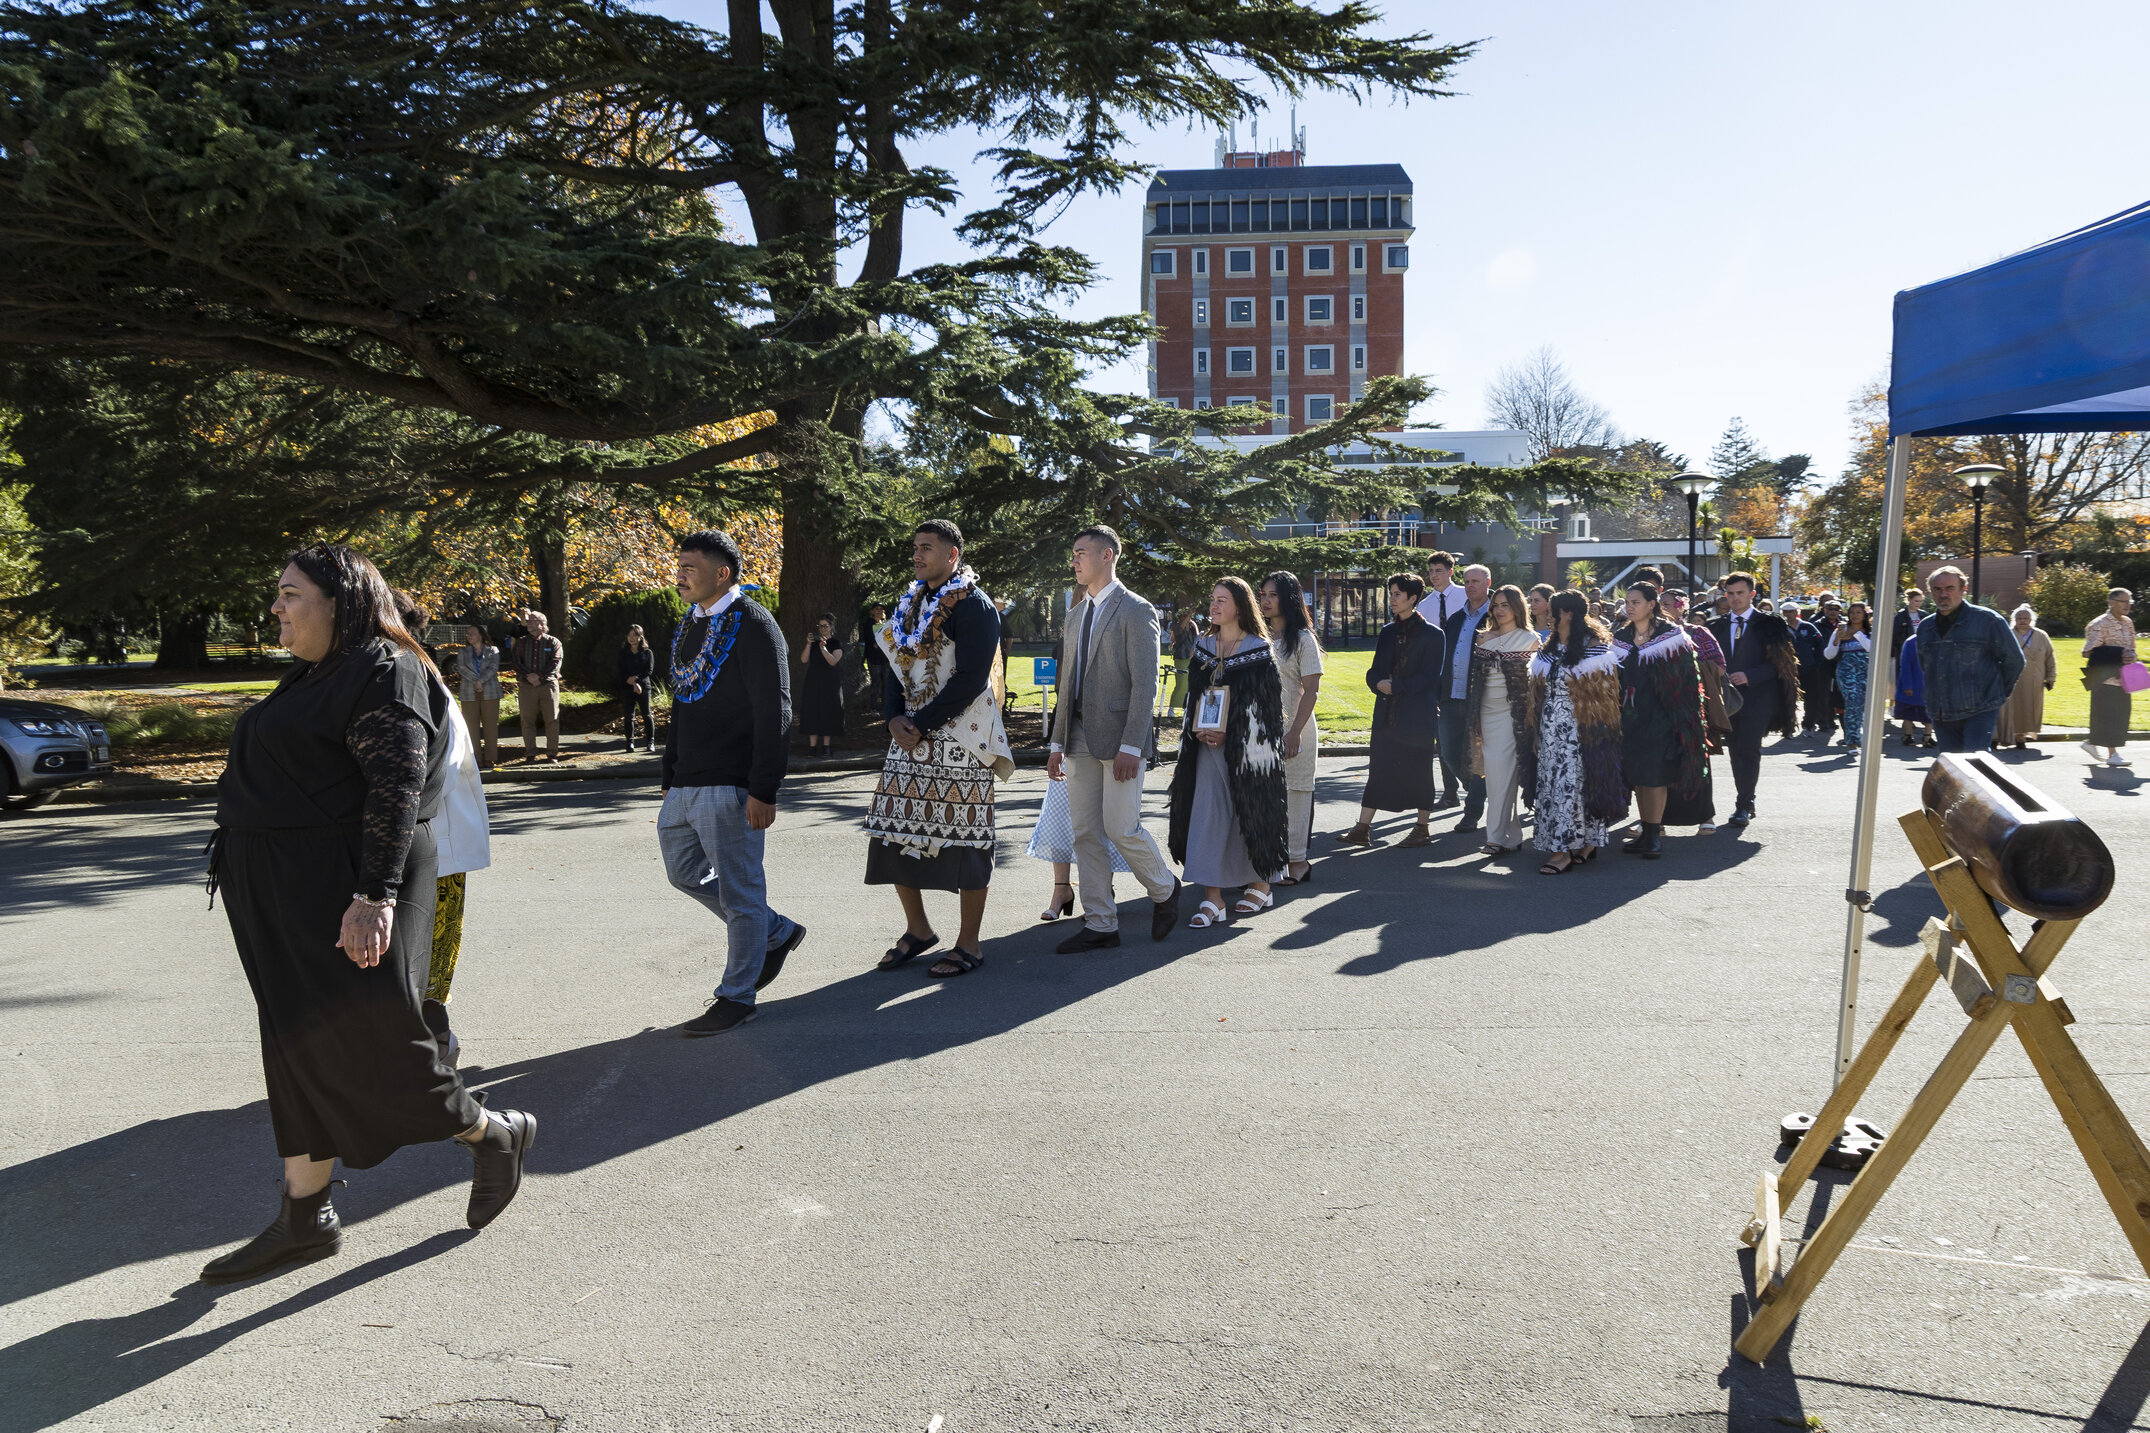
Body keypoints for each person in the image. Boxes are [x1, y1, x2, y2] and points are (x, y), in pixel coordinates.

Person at [201, 545, 534, 1284]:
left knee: (381, 1042)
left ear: (340, 599)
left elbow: (395, 785)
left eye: (290, 594)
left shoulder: (384, 668)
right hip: (286, 894)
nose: (277, 608)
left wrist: (374, 895)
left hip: (345, 888)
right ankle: (305, 1214)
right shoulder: (314, 675)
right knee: (295, 1045)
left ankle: (492, 1133)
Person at [660, 531, 808, 1035]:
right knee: (682, 873)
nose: (680, 574)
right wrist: (669, 773)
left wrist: (764, 788)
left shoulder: (755, 625)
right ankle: (774, 930)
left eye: (690, 567)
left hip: (733, 785)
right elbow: (682, 701)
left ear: (722, 573)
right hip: (685, 783)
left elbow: (776, 710)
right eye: (679, 565)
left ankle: (736, 996)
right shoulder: (690, 625)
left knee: (741, 893)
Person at [867, 520, 1016, 977]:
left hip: (962, 740)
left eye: (927, 548)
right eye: (915, 547)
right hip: (909, 736)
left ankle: (969, 943)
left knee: (968, 839)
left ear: (952, 555)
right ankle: (919, 930)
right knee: (892, 830)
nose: (917, 555)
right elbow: (896, 664)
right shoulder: (910, 603)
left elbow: (970, 679)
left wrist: (919, 723)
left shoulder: (976, 606)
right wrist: (894, 718)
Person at [1045, 525, 1181, 951]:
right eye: (1073, 552)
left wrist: (1130, 745)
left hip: (1122, 741)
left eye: (1081, 551)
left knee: (1121, 827)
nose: (1075, 560)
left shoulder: (1137, 610)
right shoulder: (1075, 613)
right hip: (1079, 738)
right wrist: (1056, 742)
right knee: (1085, 831)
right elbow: (1067, 684)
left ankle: (1165, 890)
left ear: (1107, 556)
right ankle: (1101, 923)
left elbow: (1145, 685)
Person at [391, 590, 491, 1070]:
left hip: (433, 847)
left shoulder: (417, 677)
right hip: (423, 843)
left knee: (424, 966)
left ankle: (436, 1059)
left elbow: (438, 768)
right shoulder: (400, 671)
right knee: (413, 964)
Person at [1168, 577, 1288, 927]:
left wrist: (1230, 733)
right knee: (1208, 816)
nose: (1214, 605)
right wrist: (1202, 728)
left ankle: (1262, 883)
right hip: (1206, 749)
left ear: (1240, 605)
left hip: (1251, 752)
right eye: (1213, 599)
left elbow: (1265, 707)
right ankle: (1213, 898)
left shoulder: (1258, 649)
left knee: (1251, 813)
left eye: (1223, 600)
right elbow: (1196, 696)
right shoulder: (1204, 645)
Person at [1523, 590, 1622, 875]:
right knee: (1553, 786)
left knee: (1574, 785)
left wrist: (1598, 737)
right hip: (1550, 728)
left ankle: (1564, 849)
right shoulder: (1547, 648)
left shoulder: (1594, 649)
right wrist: (1536, 734)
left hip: (1581, 730)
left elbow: (1605, 698)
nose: (1547, 616)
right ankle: (1576, 843)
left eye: (1553, 611)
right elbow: (1537, 695)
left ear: (1568, 614)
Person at [1338, 574, 1441, 847]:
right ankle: (1362, 829)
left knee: (1419, 770)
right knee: (1379, 769)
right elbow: (1373, 672)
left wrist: (1396, 686)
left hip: (1417, 716)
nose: (1392, 599)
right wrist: (1377, 684)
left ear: (1413, 598)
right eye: (1391, 593)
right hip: (1386, 714)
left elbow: (1430, 678)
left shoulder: (1433, 635)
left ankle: (1422, 828)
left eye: (1397, 594)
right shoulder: (1387, 632)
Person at [1614, 582, 1706, 859]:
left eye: (1635, 602)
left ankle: (1654, 835)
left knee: (1655, 777)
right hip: (1630, 718)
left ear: (1651, 605)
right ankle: (1646, 831)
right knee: (1639, 777)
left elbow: (1687, 682)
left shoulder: (1672, 637)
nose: (1629, 607)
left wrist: (1682, 720)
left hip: (1662, 718)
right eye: (1627, 602)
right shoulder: (1621, 636)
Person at [1708, 572, 1801, 827]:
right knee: (1735, 750)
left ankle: (1744, 804)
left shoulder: (1771, 623)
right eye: (1730, 593)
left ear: (1752, 595)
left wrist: (1749, 675)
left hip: (1758, 698)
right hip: (1726, 700)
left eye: (1740, 593)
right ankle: (1744, 799)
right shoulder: (1715, 625)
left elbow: (1783, 665)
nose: (1735, 598)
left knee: (1748, 750)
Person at [1915, 566, 2024, 754]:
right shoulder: (1926, 627)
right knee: (1952, 769)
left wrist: (1996, 694)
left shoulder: (1988, 620)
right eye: (1937, 589)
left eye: (1950, 588)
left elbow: (2014, 660)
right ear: (1931, 592)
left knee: (1975, 764)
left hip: (1979, 709)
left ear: (1963, 589)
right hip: (1941, 711)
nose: (1943, 594)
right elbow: (1926, 665)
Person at [1465, 584, 1541, 854]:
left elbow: (1535, 686)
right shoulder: (1483, 638)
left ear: (1517, 608)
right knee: (1500, 777)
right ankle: (1511, 836)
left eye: (1505, 605)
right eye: (1495, 605)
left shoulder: (1530, 640)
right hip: (1484, 714)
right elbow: (1474, 682)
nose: (1499, 610)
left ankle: (1494, 838)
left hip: (1512, 717)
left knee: (1499, 775)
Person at [1261, 570, 1325, 883]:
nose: (1266, 600)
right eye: (1263, 595)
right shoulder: (1258, 637)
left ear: (1288, 599)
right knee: (1266, 795)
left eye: (1272, 595)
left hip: (1295, 727)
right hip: (1260, 729)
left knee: (1295, 792)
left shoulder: (1301, 639)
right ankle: (1268, 860)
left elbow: (1311, 690)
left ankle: (1297, 860)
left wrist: (1294, 732)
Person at [1659, 589, 1723, 834]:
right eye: (1659, 603)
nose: (1662, 607)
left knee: (1696, 761)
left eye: (1667, 603)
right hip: (1660, 708)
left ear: (1681, 606)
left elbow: (1719, 665)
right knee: (1661, 764)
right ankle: (1658, 820)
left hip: (1693, 707)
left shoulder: (1698, 632)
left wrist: (1687, 668)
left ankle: (1706, 817)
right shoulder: (1651, 634)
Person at [1437, 564, 1495, 832]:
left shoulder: (1497, 616)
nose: (1470, 585)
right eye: (1467, 581)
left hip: (1481, 699)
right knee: (1449, 752)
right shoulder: (1457, 618)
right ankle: (1477, 789)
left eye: (1475, 581)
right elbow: (1446, 657)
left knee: (1478, 757)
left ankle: (1472, 811)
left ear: (1487, 582)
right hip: (1450, 697)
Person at [1414, 552, 1465, 810]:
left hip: (1464, 674)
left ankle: (1473, 784)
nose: (1434, 576)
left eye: (1439, 570)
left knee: (1465, 733)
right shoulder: (1424, 606)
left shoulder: (1467, 598)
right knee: (1441, 735)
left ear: (1450, 571)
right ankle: (1450, 791)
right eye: (1431, 571)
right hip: (1436, 676)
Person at [2081, 587, 2138, 766]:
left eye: (2130, 602)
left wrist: (2132, 656)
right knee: (2110, 715)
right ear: (2112, 603)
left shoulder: (2128, 622)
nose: (2128, 605)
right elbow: (2087, 652)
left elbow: (2132, 648)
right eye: (2124, 601)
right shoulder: (2099, 624)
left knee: (2121, 714)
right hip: (2105, 677)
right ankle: (2113, 755)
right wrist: (2118, 654)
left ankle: (2091, 742)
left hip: (2125, 678)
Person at [1995, 604, 2058, 749]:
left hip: (2034, 679)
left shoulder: (2041, 635)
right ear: (2014, 619)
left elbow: (2050, 657)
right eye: (2019, 618)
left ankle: (2021, 736)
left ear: (2032, 620)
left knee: (2028, 708)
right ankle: (2001, 736)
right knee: (2008, 708)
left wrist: (2051, 677)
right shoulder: (2007, 634)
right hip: (2010, 678)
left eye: (2026, 618)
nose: (2022, 620)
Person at [509, 609, 563, 763]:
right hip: (526, 686)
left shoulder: (553, 642)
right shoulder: (521, 642)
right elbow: (516, 661)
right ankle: (530, 753)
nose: (528, 622)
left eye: (531, 620)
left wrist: (539, 676)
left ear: (541, 623)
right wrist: (529, 676)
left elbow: (555, 662)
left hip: (548, 685)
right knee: (527, 720)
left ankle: (552, 753)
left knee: (552, 719)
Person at [1826, 602, 1875, 749]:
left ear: (1864, 614)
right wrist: (1837, 640)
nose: (1854, 615)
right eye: (1852, 612)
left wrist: (1857, 635)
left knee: (1864, 704)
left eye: (1858, 612)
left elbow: (1872, 648)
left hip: (1866, 671)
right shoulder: (1841, 630)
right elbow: (1828, 654)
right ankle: (1852, 740)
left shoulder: (1871, 631)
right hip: (1846, 671)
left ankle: (1862, 736)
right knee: (1852, 701)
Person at [797, 612, 846, 756]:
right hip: (813, 680)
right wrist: (808, 644)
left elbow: (833, 662)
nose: (822, 629)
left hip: (830, 682)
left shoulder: (836, 643)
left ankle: (826, 747)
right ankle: (812, 747)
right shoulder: (813, 643)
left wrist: (823, 648)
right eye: (820, 626)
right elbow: (804, 660)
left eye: (825, 626)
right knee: (812, 711)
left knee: (828, 712)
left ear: (831, 627)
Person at [454, 623, 502, 769]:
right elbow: (460, 668)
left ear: (480, 635)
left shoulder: (493, 650)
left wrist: (481, 681)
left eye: (472, 633)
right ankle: (476, 759)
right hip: (469, 692)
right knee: (471, 727)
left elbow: (494, 667)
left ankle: (490, 758)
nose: (469, 636)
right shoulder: (463, 652)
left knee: (490, 726)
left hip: (490, 692)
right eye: (467, 633)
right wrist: (476, 681)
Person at [619, 624, 656, 753]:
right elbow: (621, 670)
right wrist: (631, 682)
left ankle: (650, 742)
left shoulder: (647, 653)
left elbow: (648, 670)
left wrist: (637, 680)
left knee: (646, 714)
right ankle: (630, 743)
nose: (631, 638)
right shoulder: (623, 653)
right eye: (629, 635)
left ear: (640, 637)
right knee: (629, 716)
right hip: (627, 687)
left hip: (644, 687)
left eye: (635, 635)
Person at [1895, 628, 1933, 749]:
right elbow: (1906, 665)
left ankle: (1909, 736)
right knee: (1927, 712)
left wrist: (1907, 685)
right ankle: (1926, 737)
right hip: (1921, 684)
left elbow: (1904, 665)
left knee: (1909, 713)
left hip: (1916, 684)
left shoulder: (1911, 641)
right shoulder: (1915, 642)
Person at [860, 602, 892, 726]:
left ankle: (885, 707)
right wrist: (876, 642)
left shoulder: (885, 623)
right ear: (872, 611)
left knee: (886, 682)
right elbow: (870, 639)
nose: (879, 611)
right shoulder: (869, 623)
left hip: (885, 657)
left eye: (881, 609)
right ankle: (874, 708)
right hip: (873, 658)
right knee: (876, 682)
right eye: (877, 609)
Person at [1891, 587, 1927, 660]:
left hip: (1921, 651)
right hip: (1906, 651)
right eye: (1916, 601)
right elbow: (1896, 637)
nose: (1919, 604)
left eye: (1921, 601)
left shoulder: (1924, 615)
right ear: (1909, 600)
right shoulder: (1900, 616)